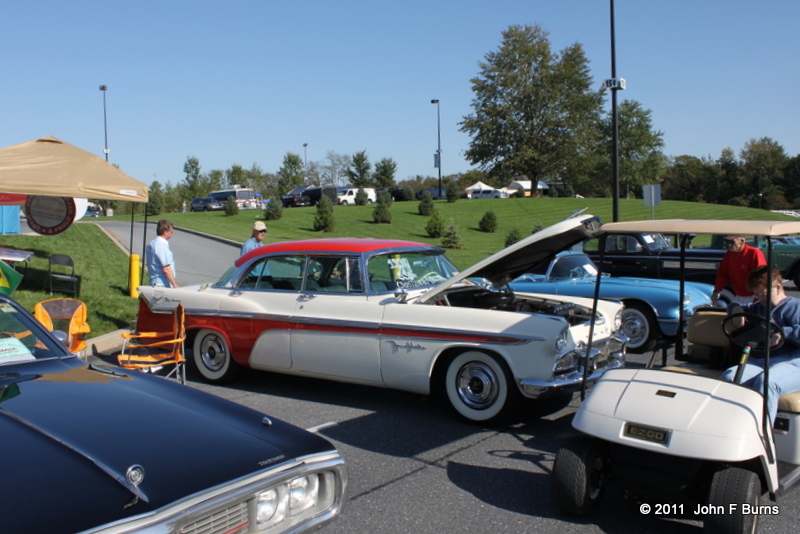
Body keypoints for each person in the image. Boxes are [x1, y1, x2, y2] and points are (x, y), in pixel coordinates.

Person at [720, 266, 800, 423]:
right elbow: (736, 307)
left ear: (777, 288)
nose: (759, 298)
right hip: (762, 360)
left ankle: (763, 435)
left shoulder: (795, 306)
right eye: (756, 295)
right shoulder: (759, 307)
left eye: (762, 294)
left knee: (767, 382)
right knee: (729, 378)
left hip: (793, 361)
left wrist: (785, 332)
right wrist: (735, 308)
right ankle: (731, 426)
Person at [712, 234, 766, 305]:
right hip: (739, 295)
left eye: (732, 242)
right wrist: (717, 290)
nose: (729, 244)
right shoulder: (729, 254)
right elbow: (723, 274)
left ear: (742, 241)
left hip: (754, 296)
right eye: (727, 242)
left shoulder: (754, 253)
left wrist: (759, 295)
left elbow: (761, 276)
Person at [146, 219, 179, 288]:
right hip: (162, 284)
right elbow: (166, 269)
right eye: (171, 231)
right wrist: (175, 285)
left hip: (154, 281)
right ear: (165, 232)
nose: (172, 232)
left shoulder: (151, 244)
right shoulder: (161, 247)